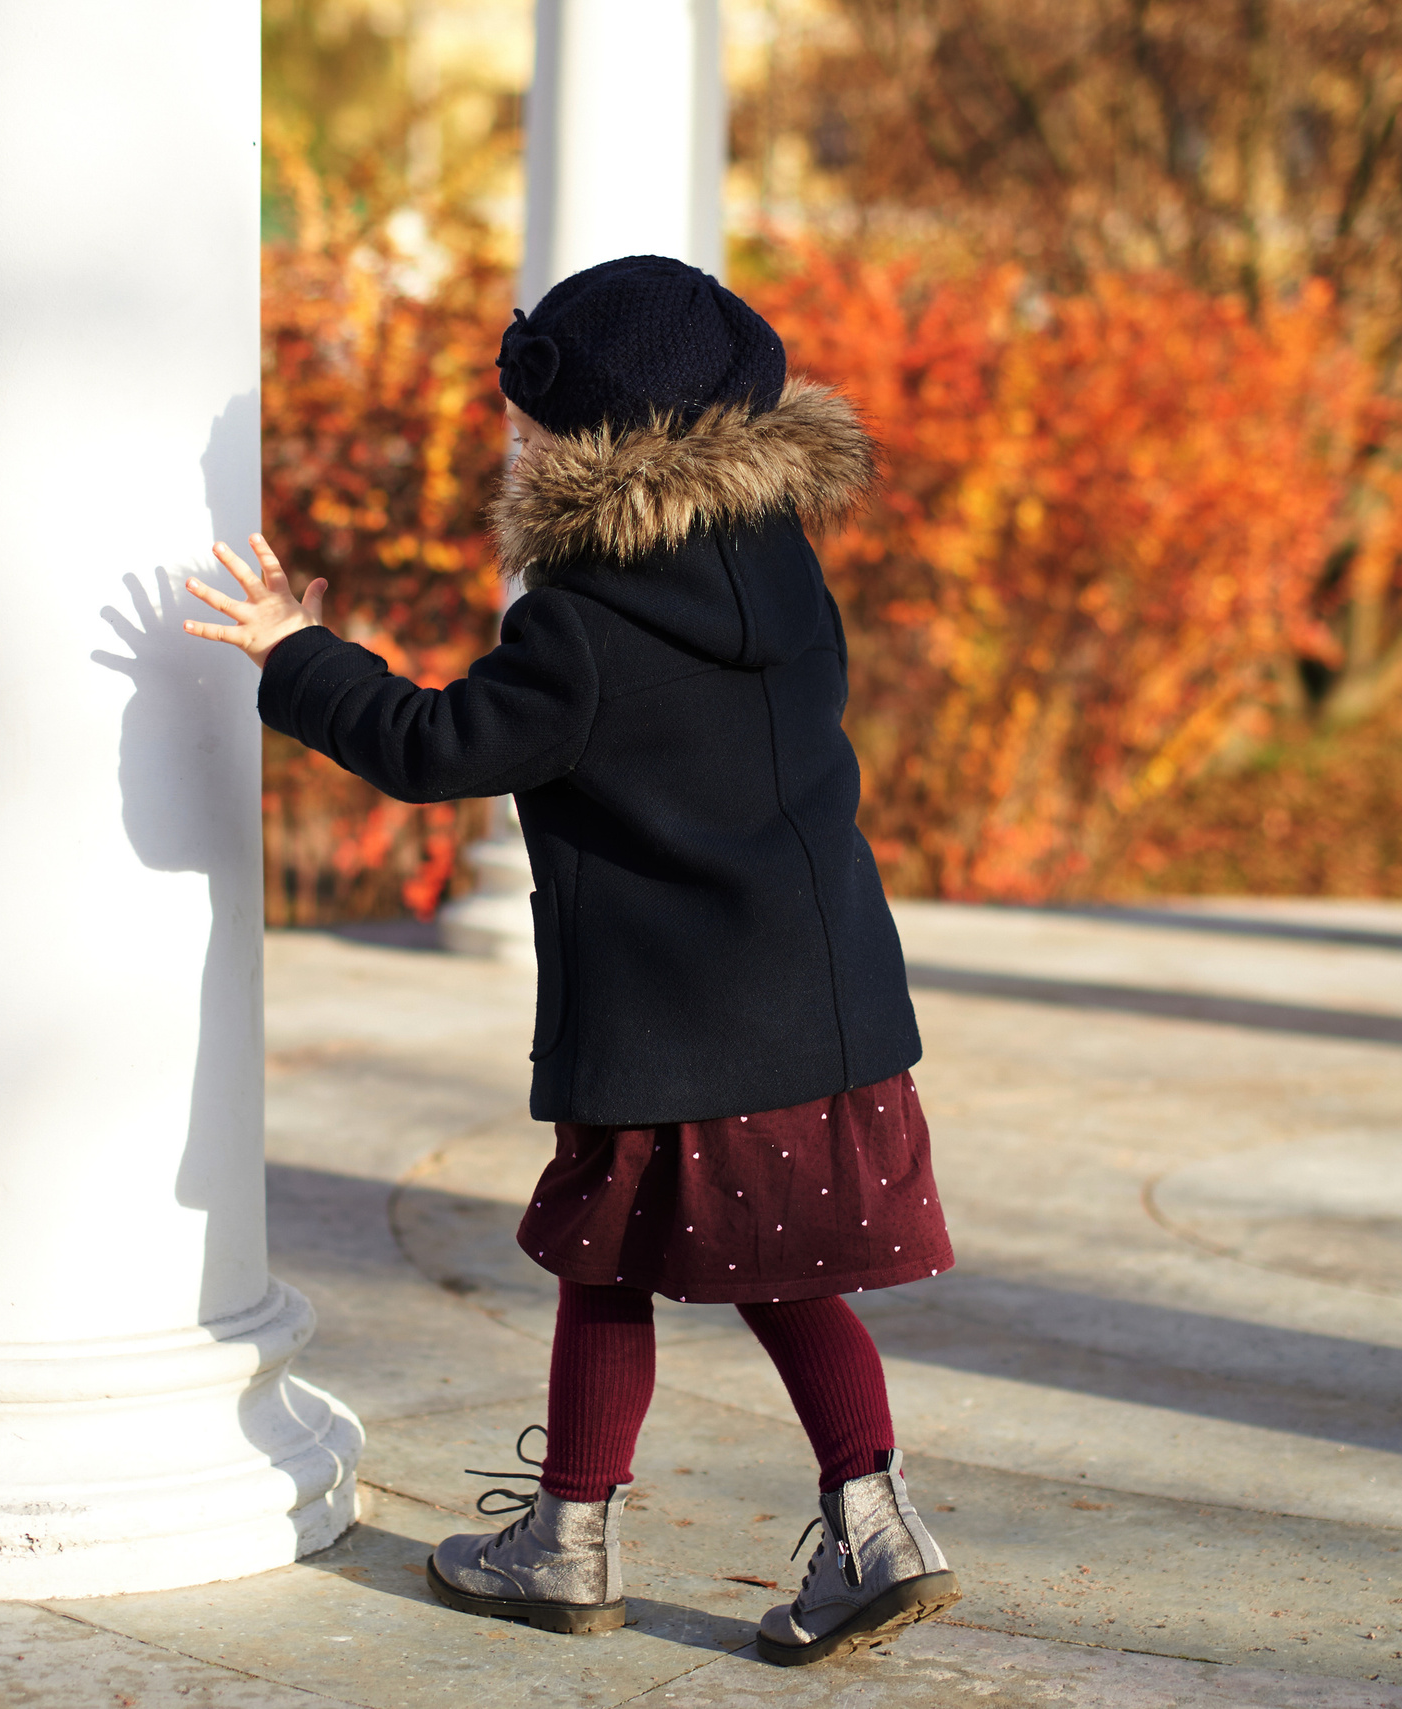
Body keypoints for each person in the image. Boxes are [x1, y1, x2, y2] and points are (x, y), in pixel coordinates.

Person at [183, 254, 959, 1667]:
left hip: (672, 1024)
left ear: (584, 436)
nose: (516, 443)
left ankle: (574, 1539)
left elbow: (435, 747)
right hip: (822, 997)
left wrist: (294, 651)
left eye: (529, 421)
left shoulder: (586, 624)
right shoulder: (781, 564)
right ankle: (872, 1523)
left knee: (607, 1271)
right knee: (783, 1276)